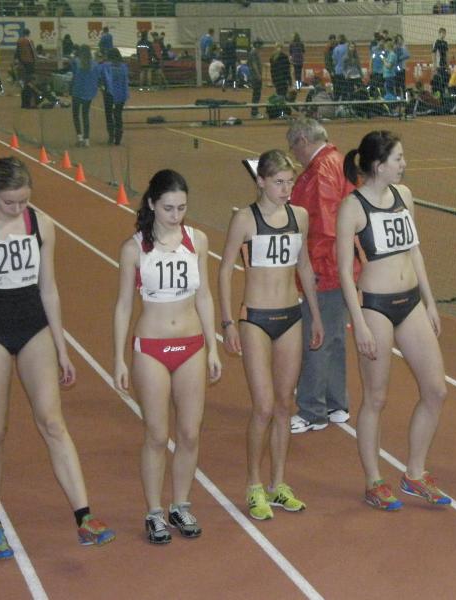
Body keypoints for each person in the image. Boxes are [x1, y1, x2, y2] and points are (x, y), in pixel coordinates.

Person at [0, 157, 115, 560]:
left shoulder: (42, 225)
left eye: (23, 201)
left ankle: (85, 517)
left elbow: (49, 289)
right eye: (9, 202)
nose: (17, 209)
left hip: (34, 329)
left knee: (53, 422)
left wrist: (62, 348)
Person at [337, 131, 450, 511]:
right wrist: (359, 323)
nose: (404, 164)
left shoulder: (405, 196)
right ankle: (374, 480)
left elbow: (415, 251)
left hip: (411, 302)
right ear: (378, 164)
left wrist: (430, 302)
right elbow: (344, 271)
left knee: (436, 390)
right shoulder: (352, 207)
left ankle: (414, 473)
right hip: (375, 306)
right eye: (398, 158)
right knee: (376, 397)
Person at [113, 169, 221, 544]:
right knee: (157, 436)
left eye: (182, 208)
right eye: (168, 208)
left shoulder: (197, 241)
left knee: (189, 433)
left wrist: (213, 346)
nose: (176, 215)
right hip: (152, 348)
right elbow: (123, 305)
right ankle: (154, 512)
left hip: (192, 345)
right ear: (152, 204)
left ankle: (181, 504)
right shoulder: (134, 249)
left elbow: (204, 295)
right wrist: (118, 358)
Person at [218, 150, 324, 521]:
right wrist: (227, 322)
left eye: (290, 182)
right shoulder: (245, 219)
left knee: (284, 405)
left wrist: (315, 316)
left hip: (291, 316)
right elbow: (224, 269)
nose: (286, 189)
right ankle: (253, 484)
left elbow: (304, 266)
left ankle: (279, 483)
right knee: (263, 406)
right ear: (261, 181)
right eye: (279, 182)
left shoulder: (300, 216)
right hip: (256, 319)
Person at [286, 118, 356, 433]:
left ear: (303, 140)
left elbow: (324, 228)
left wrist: (313, 270)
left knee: (316, 337)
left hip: (325, 267)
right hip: (341, 267)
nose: (294, 155)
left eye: (294, 148)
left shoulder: (320, 171)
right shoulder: (337, 162)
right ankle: (336, 403)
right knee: (335, 336)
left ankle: (312, 409)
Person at [70, 45, 101, 147]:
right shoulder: (95, 64)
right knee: (85, 115)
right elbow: (97, 78)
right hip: (88, 92)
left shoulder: (76, 62)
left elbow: (73, 75)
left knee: (76, 114)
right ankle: (86, 139)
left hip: (77, 91)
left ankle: (79, 137)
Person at [100, 47, 129, 145]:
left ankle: (111, 136)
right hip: (121, 94)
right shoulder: (124, 66)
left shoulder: (105, 66)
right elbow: (125, 80)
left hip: (109, 93)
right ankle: (118, 137)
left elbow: (101, 78)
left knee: (109, 115)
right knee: (118, 115)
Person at [249, 38, 264, 119]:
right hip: (255, 77)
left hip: (256, 76)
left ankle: (255, 111)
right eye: (261, 45)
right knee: (256, 95)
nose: (262, 47)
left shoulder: (255, 52)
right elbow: (254, 64)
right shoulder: (254, 52)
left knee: (257, 95)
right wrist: (258, 75)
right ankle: (254, 113)